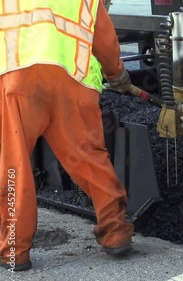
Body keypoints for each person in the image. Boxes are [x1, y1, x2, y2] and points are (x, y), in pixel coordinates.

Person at [0, 0, 134, 271]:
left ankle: (14, 251)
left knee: (15, 165)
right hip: (74, 81)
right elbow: (105, 41)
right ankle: (116, 232)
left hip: (20, 80)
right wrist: (116, 73)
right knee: (89, 157)